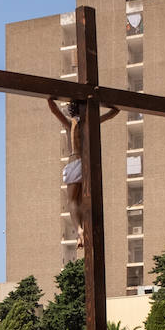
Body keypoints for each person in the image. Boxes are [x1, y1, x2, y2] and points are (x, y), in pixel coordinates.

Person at [47, 97, 119, 248]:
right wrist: (104, 101)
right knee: (84, 201)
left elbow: (54, 109)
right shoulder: (91, 123)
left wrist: (50, 96)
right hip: (88, 164)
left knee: (73, 201)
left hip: (74, 161)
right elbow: (114, 112)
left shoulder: (69, 124)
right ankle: (84, 231)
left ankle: (79, 230)